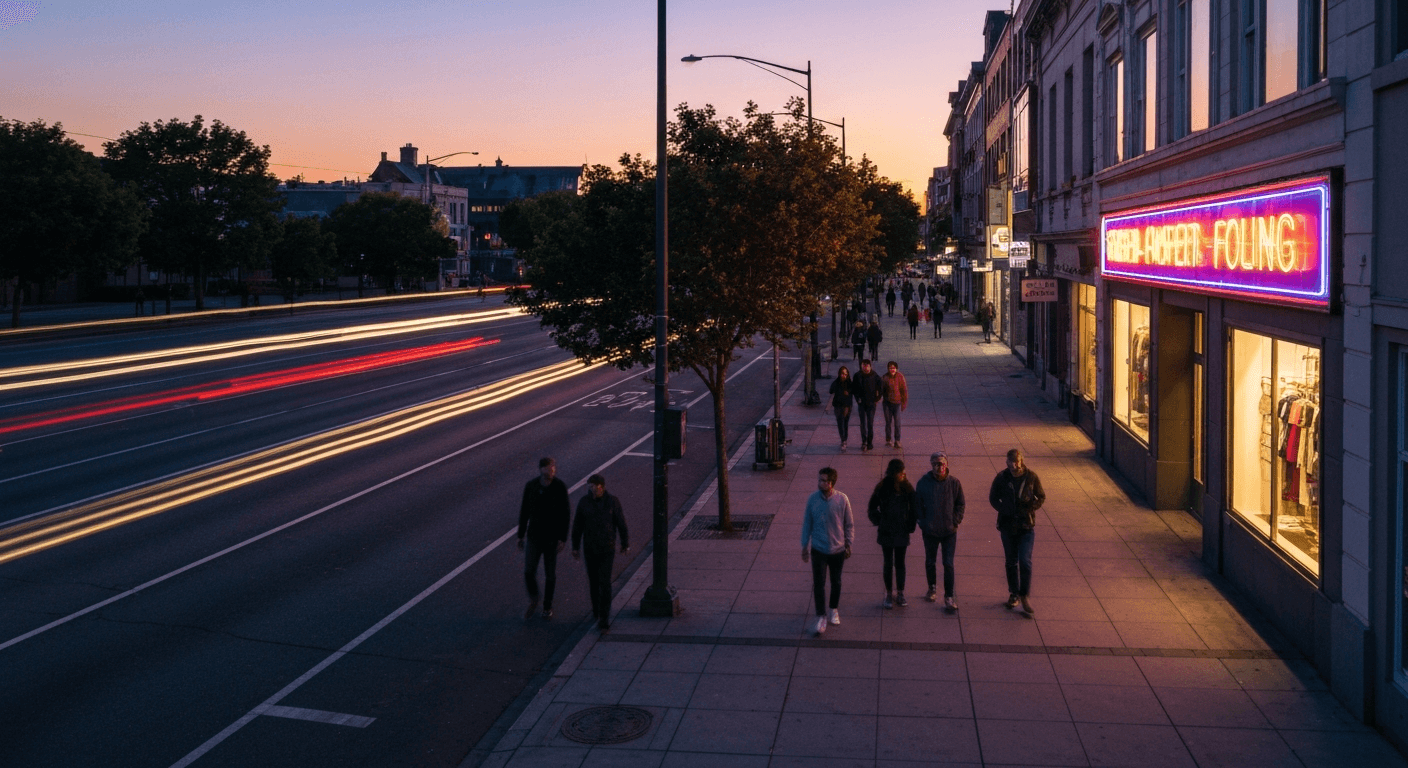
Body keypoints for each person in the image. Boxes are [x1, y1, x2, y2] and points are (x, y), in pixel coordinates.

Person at [989, 449, 1045, 615]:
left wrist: (1030, 508)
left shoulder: (1031, 477)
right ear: (1007, 462)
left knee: (1025, 561)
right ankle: (1014, 593)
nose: (1015, 465)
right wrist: (1004, 509)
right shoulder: (1002, 478)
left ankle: (1024, 594)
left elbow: (1040, 496)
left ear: (1022, 461)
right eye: (1012, 462)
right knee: (1011, 561)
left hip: (1026, 526)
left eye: (1018, 462)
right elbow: (993, 497)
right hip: (1008, 526)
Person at [571, 474, 629, 630]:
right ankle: (596, 610)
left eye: (593, 487)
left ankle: (604, 617)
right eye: (589, 487)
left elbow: (620, 523)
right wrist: (575, 546)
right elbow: (578, 526)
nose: (591, 490)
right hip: (589, 548)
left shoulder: (612, 502)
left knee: (605, 583)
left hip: (606, 548)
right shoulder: (584, 503)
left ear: (601, 487)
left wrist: (625, 543)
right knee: (594, 582)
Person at [801, 467, 854, 635]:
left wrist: (848, 543)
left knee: (836, 581)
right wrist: (804, 545)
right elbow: (807, 523)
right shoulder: (812, 499)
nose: (820, 483)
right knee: (819, 583)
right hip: (818, 548)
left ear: (832, 483)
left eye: (824, 481)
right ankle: (821, 615)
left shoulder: (842, 499)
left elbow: (849, 524)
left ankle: (833, 609)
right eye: (819, 480)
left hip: (837, 548)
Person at [518, 457, 571, 619]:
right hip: (534, 536)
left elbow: (565, 513)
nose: (552, 471)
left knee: (550, 574)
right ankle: (534, 598)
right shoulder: (531, 486)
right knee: (529, 571)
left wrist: (563, 537)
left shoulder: (559, 486)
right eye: (549, 469)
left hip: (551, 538)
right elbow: (524, 511)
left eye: (553, 468)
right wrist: (520, 535)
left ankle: (547, 606)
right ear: (541, 469)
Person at [915, 452, 965, 610]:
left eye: (942, 463)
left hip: (949, 531)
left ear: (947, 464)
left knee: (948, 563)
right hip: (930, 531)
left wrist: (955, 520)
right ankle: (932, 588)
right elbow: (917, 505)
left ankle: (949, 596)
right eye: (936, 464)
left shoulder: (954, 483)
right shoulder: (924, 482)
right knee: (930, 561)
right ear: (931, 465)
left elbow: (960, 503)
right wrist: (923, 523)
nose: (939, 467)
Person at [868, 459, 917, 608]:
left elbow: (914, 509)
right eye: (901, 472)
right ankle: (889, 593)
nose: (904, 474)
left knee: (900, 563)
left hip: (901, 530)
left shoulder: (907, 488)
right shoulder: (882, 488)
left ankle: (900, 592)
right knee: (888, 563)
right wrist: (880, 521)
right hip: (887, 531)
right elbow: (872, 508)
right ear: (894, 473)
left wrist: (910, 525)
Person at [852, 359, 883, 452]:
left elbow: (881, 388)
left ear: (870, 366)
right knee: (862, 423)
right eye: (863, 366)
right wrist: (857, 399)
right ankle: (864, 441)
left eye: (866, 366)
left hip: (871, 403)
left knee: (870, 423)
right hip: (862, 403)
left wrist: (877, 398)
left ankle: (870, 442)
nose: (865, 368)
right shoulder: (857, 376)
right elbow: (854, 389)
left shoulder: (875, 376)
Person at [824, 365, 854, 451]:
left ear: (847, 374)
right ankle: (843, 440)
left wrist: (848, 393)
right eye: (842, 374)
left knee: (845, 423)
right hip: (837, 406)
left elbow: (854, 391)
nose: (843, 375)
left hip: (847, 406)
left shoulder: (849, 383)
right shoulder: (836, 382)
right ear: (839, 374)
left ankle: (844, 440)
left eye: (845, 374)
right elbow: (831, 391)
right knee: (840, 423)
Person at [881, 361, 908, 449]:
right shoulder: (885, 378)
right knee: (888, 422)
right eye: (890, 368)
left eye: (893, 368)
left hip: (897, 403)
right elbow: (881, 390)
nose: (892, 370)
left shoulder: (900, 377)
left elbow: (904, 390)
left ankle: (897, 440)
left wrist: (903, 403)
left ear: (896, 368)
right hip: (887, 404)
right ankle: (888, 440)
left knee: (897, 423)